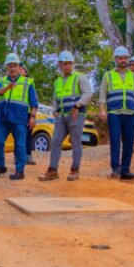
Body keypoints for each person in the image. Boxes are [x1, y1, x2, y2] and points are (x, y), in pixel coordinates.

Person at [39, 50, 93, 182]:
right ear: (60, 65)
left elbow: (88, 93)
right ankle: (52, 170)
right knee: (56, 141)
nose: (68, 66)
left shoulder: (79, 77)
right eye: (65, 63)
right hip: (61, 116)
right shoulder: (58, 81)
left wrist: (78, 105)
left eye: (70, 63)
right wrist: (55, 109)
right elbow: (56, 97)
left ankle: (75, 170)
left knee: (76, 142)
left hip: (76, 114)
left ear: (73, 64)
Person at [99, 45, 134, 180]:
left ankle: (125, 170)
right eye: (120, 58)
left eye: (125, 58)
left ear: (128, 59)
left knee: (129, 141)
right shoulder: (108, 75)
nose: (123, 60)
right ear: (115, 59)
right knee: (115, 141)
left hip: (130, 113)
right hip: (114, 113)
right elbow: (102, 95)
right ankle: (115, 169)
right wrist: (102, 110)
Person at [0, 53, 37, 181]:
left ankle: (20, 171)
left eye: (15, 65)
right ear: (7, 67)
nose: (12, 68)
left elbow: (33, 102)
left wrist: (32, 117)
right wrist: (7, 88)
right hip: (3, 118)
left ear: (19, 67)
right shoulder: (1, 80)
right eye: (10, 66)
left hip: (19, 118)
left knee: (20, 145)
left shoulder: (28, 82)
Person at [20, 64, 38, 165]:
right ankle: (18, 156)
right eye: (19, 69)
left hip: (27, 113)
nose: (20, 70)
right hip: (17, 113)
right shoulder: (13, 82)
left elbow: (34, 100)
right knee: (18, 135)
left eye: (22, 69)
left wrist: (33, 115)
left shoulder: (29, 83)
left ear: (26, 73)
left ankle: (28, 156)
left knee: (28, 135)